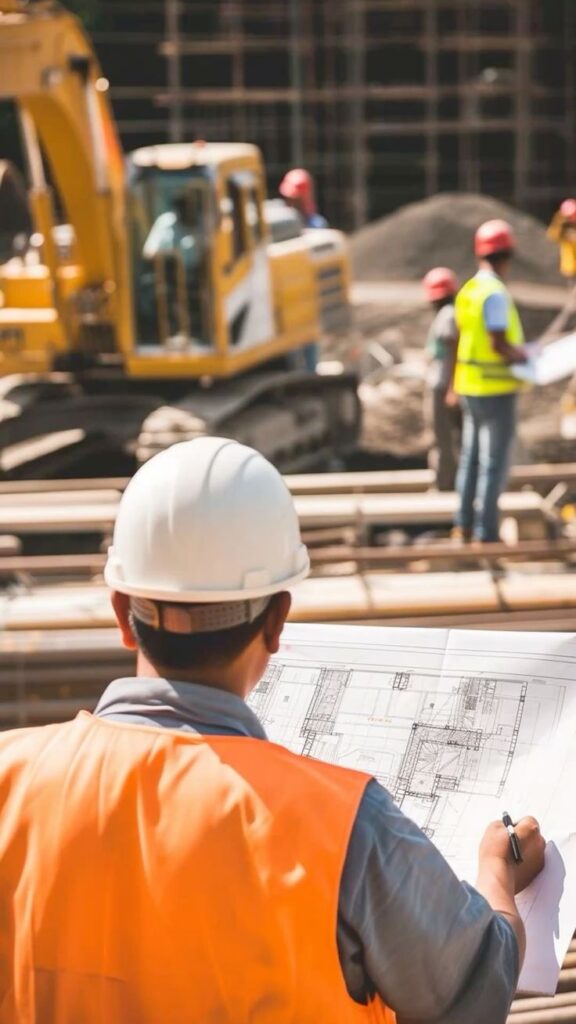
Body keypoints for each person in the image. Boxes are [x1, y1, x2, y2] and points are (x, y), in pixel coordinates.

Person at [0, 436, 544, 1022]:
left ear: (121, 616)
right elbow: (474, 986)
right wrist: (496, 871)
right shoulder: (345, 824)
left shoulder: (10, 779)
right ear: (278, 620)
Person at [451, 219, 529, 543]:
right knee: (493, 465)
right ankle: (487, 533)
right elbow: (497, 343)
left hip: (469, 385)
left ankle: (464, 525)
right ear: (507, 254)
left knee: (470, 460)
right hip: (495, 388)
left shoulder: (469, 289)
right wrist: (524, 357)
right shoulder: (495, 293)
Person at [422, 266, 461, 491]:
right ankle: (447, 482)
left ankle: (444, 485)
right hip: (444, 383)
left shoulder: (447, 315)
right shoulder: (449, 313)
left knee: (442, 439)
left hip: (441, 385)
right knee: (445, 439)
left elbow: (451, 348)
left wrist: (451, 388)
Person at [547, 198, 576, 279]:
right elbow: (552, 234)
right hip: (569, 248)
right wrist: (565, 235)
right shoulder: (560, 219)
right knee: (569, 269)